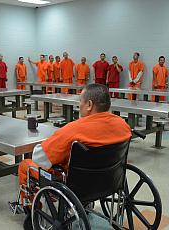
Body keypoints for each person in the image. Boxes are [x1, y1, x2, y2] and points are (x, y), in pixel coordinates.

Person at [17, 84, 132, 227]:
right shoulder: (123, 125)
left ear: (89, 104)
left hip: (76, 184)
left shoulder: (74, 129)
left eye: (80, 102)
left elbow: (40, 159)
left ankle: (32, 210)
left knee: (25, 165)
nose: (79, 106)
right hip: (111, 181)